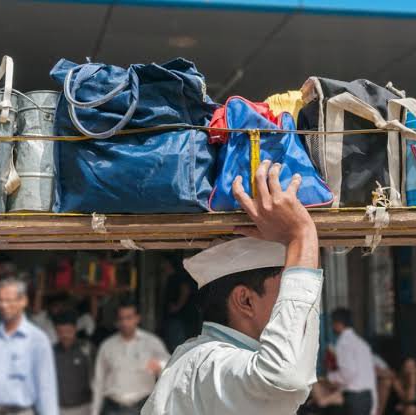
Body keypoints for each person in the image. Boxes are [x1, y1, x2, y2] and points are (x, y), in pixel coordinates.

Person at [142, 161, 323, 414]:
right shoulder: (208, 363)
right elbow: (284, 381)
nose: (308, 307)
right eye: (288, 286)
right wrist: (302, 235)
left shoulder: (204, 359)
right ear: (245, 300)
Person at [0, 278, 58, 415]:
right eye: (0, 301)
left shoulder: (37, 339)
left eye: (9, 300)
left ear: (23, 301)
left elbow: (46, 388)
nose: (4, 305)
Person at [92, 298, 169, 415]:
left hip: (142, 408)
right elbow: (98, 381)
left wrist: (159, 366)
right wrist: (94, 412)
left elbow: (170, 368)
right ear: (117, 321)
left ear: (137, 318)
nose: (125, 323)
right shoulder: (107, 346)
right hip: (113, 409)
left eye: (129, 318)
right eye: (121, 319)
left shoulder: (152, 342)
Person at [327, 308, 378, 415]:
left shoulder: (343, 343)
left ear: (339, 324)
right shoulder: (362, 344)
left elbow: (348, 373)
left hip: (356, 398)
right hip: (367, 397)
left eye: (333, 323)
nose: (332, 327)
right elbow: (370, 376)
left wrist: (330, 377)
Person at [54, 311, 94, 415]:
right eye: (60, 332)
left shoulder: (87, 349)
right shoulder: (51, 352)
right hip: (58, 408)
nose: (64, 335)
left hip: (83, 407)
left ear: (75, 329)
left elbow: (98, 377)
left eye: (68, 331)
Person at [160, 255, 199, 352]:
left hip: (179, 316)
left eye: (164, 263)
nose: (162, 265)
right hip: (172, 315)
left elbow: (185, 290)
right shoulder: (169, 277)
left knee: (178, 343)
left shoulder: (178, 276)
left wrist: (177, 306)